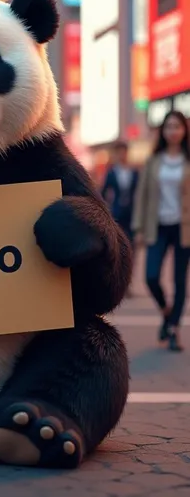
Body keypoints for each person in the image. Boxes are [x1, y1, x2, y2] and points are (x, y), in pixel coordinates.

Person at [132, 110, 190, 352]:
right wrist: (139, 228)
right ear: (163, 131)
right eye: (169, 126)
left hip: (184, 228)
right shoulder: (153, 161)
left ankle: (174, 328)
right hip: (158, 227)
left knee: (179, 281)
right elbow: (142, 196)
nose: (173, 131)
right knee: (151, 276)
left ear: (184, 130)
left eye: (177, 126)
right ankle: (167, 312)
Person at [102, 141, 139, 244]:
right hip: (117, 209)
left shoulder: (133, 172)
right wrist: (107, 207)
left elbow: (139, 191)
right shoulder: (111, 172)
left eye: (124, 152)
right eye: (119, 152)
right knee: (118, 239)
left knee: (131, 240)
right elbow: (104, 191)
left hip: (131, 210)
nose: (122, 155)